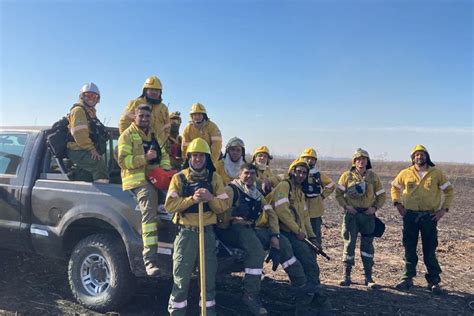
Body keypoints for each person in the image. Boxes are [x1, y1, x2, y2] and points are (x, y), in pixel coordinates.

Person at [216, 163, 319, 315]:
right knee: (256, 251)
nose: (249, 176)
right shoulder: (231, 190)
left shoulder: (256, 193)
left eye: (252, 174)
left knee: (283, 242)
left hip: (250, 227)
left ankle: (301, 287)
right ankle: (251, 295)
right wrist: (231, 215)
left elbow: (271, 214)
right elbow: (217, 213)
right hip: (232, 229)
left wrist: (275, 235)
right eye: (246, 173)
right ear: (239, 174)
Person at [165, 137, 229, 316]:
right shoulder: (179, 178)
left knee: (208, 281)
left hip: (207, 234)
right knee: (180, 280)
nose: (198, 159)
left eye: (201, 156)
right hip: (186, 235)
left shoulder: (214, 178)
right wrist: (191, 200)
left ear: (207, 158)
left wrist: (210, 198)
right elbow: (170, 205)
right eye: (194, 156)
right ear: (189, 157)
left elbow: (224, 206)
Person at [391, 144, 454, 294]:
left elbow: (449, 191)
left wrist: (443, 210)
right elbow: (394, 188)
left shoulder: (436, 173)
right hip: (410, 216)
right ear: (412, 158)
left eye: (422, 154)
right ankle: (407, 278)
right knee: (409, 248)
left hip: (429, 217)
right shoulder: (405, 173)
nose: (419, 157)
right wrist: (397, 203)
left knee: (429, 249)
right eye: (416, 155)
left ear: (427, 156)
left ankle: (433, 281)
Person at [117, 104, 171, 276]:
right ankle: (150, 260)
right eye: (141, 116)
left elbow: (164, 157)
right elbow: (123, 161)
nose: (145, 119)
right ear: (135, 117)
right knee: (149, 211)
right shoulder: (127, 136)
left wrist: (167, 173)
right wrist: (145, 158)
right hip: (137, 181)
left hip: (154, 178)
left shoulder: (153, 136)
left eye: (147, 117)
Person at [335, 148, 386, 288]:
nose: (361, 161)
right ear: (354, 162)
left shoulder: (373, 177)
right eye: (358, 159)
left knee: (367, 246)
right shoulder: (346, 176)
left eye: (364, 159)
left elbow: (382, 195)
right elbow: (338, 194)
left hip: (367, 216)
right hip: (351, 216)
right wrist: (346, 206)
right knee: (349, 244)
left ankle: (369, 278)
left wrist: (374, 208)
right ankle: (346, 276)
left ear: (367, 161)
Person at [270, 158, 321, 290]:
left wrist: (312, 237)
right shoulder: (284, 186)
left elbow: (305, 218)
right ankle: (305, 293)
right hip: (284, 232)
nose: (301, 175)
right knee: (303, 263)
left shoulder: (300, 192)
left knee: (311, 264)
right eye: (298, 171)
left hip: (297, 233)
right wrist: (297, 231)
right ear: (292, 171)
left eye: (304, 173)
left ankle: (313, 292)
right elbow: (282, 212)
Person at [66, 82, 109, 183]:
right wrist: (91, 149)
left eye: (94, 96)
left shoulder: (91, 112)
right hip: (77, 149)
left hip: (84, 149)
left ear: (98, 99)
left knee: (85, 174)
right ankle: (104, 195)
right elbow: (79, 133)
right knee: (99, 165)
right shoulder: (78, 111)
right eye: (88, 95)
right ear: (82, 96)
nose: (91, 98)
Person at [300, 147, 335, 246]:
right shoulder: (298, 173)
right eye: (307, 158)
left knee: (315, 235)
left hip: (315, 211)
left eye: (312, 159)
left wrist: (322, 196)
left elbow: (331, 185)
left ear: (315, 161)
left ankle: (314, 255)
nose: (309, 161)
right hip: (300, 209)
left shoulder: (318, 174)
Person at [118, 75, 170, 144]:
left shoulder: (164, 108)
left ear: (160, 92)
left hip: (157, 147)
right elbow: (124, 122)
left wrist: (162, 142)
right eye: (151, 89)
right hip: (138, 145)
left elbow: (167, 128)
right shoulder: (136, 103)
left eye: (157, 90)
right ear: (145, 91)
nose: (154, 92)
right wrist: (127, 141)